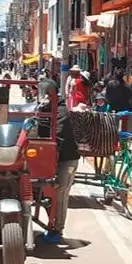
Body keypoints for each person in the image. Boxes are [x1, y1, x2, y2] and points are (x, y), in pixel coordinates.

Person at [37, 79, 80, 244]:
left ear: (51, 94)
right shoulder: (46, 109)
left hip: (67, 160)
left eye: (44, 94)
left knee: (60, 193)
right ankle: (51, 225)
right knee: (47, 193)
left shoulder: (60, 110)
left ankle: (57, 230)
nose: (41, 97)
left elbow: (58, 136)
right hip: (53, 159)